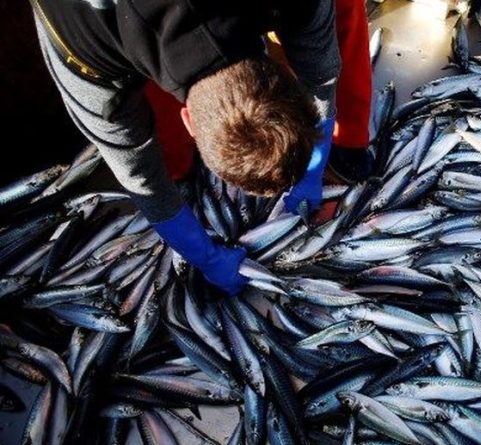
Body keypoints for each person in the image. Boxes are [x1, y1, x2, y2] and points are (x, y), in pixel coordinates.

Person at [30, 0, 373, 296]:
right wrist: (203, 257)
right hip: (106, 21)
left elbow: (321, 76)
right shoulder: (84, 54)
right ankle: (179, 169)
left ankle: (351, 137)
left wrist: (312, 168)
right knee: (147, 137)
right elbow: (140, 178)